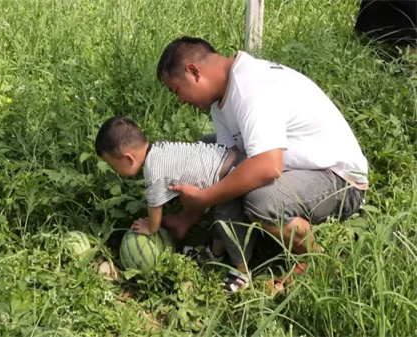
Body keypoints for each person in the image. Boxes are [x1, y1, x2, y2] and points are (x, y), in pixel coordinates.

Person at [156, 36, 369, 291]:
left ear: (193, 71)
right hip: (297, 165)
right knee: (207, 152)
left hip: (339, 179)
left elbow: (268, 166)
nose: (180, 101)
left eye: (176, 90)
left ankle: (313, 259)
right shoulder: (221, 100)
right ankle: (223, 242)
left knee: (263, 201)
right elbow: (225, 162)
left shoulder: (250, 87)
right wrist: (187, 216)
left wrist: (204, 198)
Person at [95, 116, 257, 294]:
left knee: (227, 222)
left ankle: (242, 271)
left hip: (230, 175)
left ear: (128, 159)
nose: (114, 171)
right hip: (228, 161)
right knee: (217, 215)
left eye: (113, 166)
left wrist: (150, 227)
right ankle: (215, 253)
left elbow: (155, 207)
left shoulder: (153, 170)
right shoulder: (159, 149)